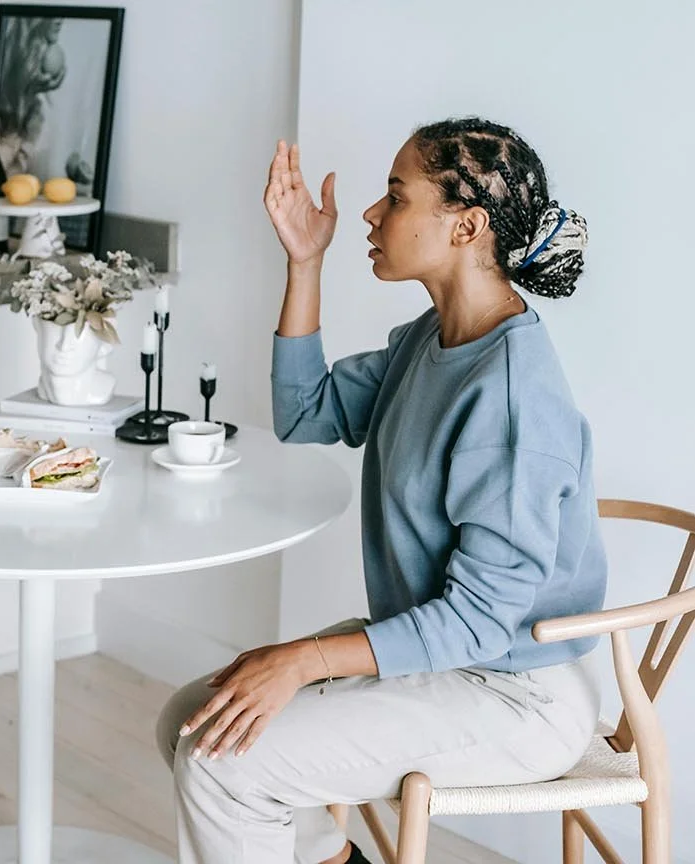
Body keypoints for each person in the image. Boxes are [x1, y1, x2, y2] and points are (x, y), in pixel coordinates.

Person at [155, 118, 607, 863]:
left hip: (512, 694)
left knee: (221, 759)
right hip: (445, 664)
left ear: (465, 226)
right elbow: (306, 415)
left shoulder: (510, 399)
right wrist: (305, 262)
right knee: (195, 720)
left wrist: (304, 658)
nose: (370, 213)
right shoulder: (431, 340)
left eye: (395, 198)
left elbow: (478, 624)